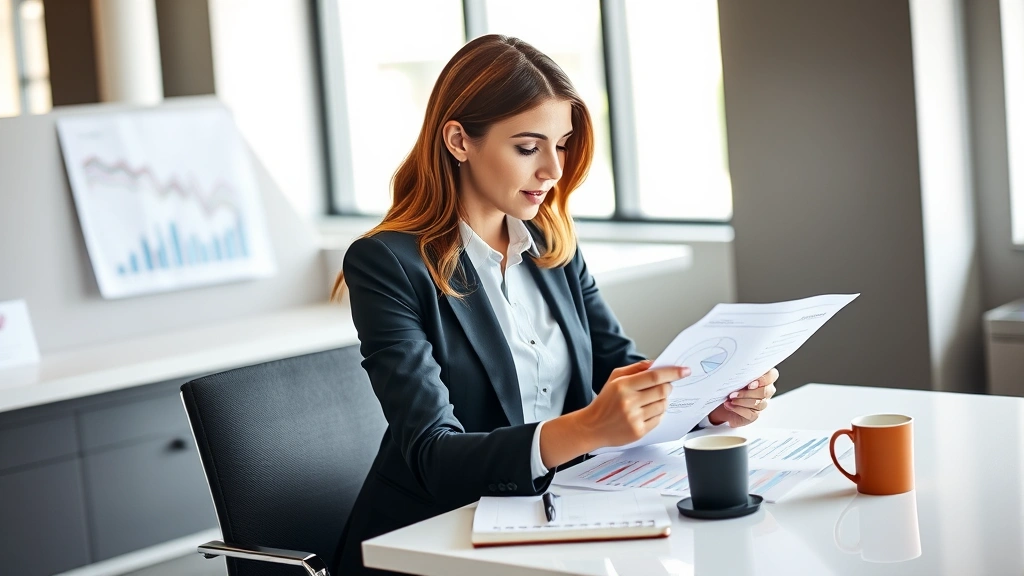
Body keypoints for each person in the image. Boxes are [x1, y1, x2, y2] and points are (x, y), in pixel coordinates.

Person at [331, 34, 778, 576]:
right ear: (458, 140)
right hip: (433, 539)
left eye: (560, 144)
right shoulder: (388, 263)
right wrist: (588, 427)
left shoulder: (549, 242)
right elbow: (432, 454)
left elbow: (618, 363)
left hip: (559, 516)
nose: (553, 170)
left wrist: (704, 403)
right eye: (527, 147)